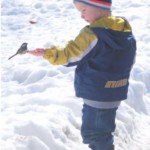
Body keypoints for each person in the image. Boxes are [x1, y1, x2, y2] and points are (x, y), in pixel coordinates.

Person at [26, 0, 136, 150]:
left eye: (83, 10)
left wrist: (47, 53)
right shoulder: (124, 31)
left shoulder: (93, 34)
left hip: (96, 93)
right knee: (102, 132)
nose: (82, 16)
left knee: (95, 135)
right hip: (115, 91)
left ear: (98, 6)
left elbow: (70, 55)